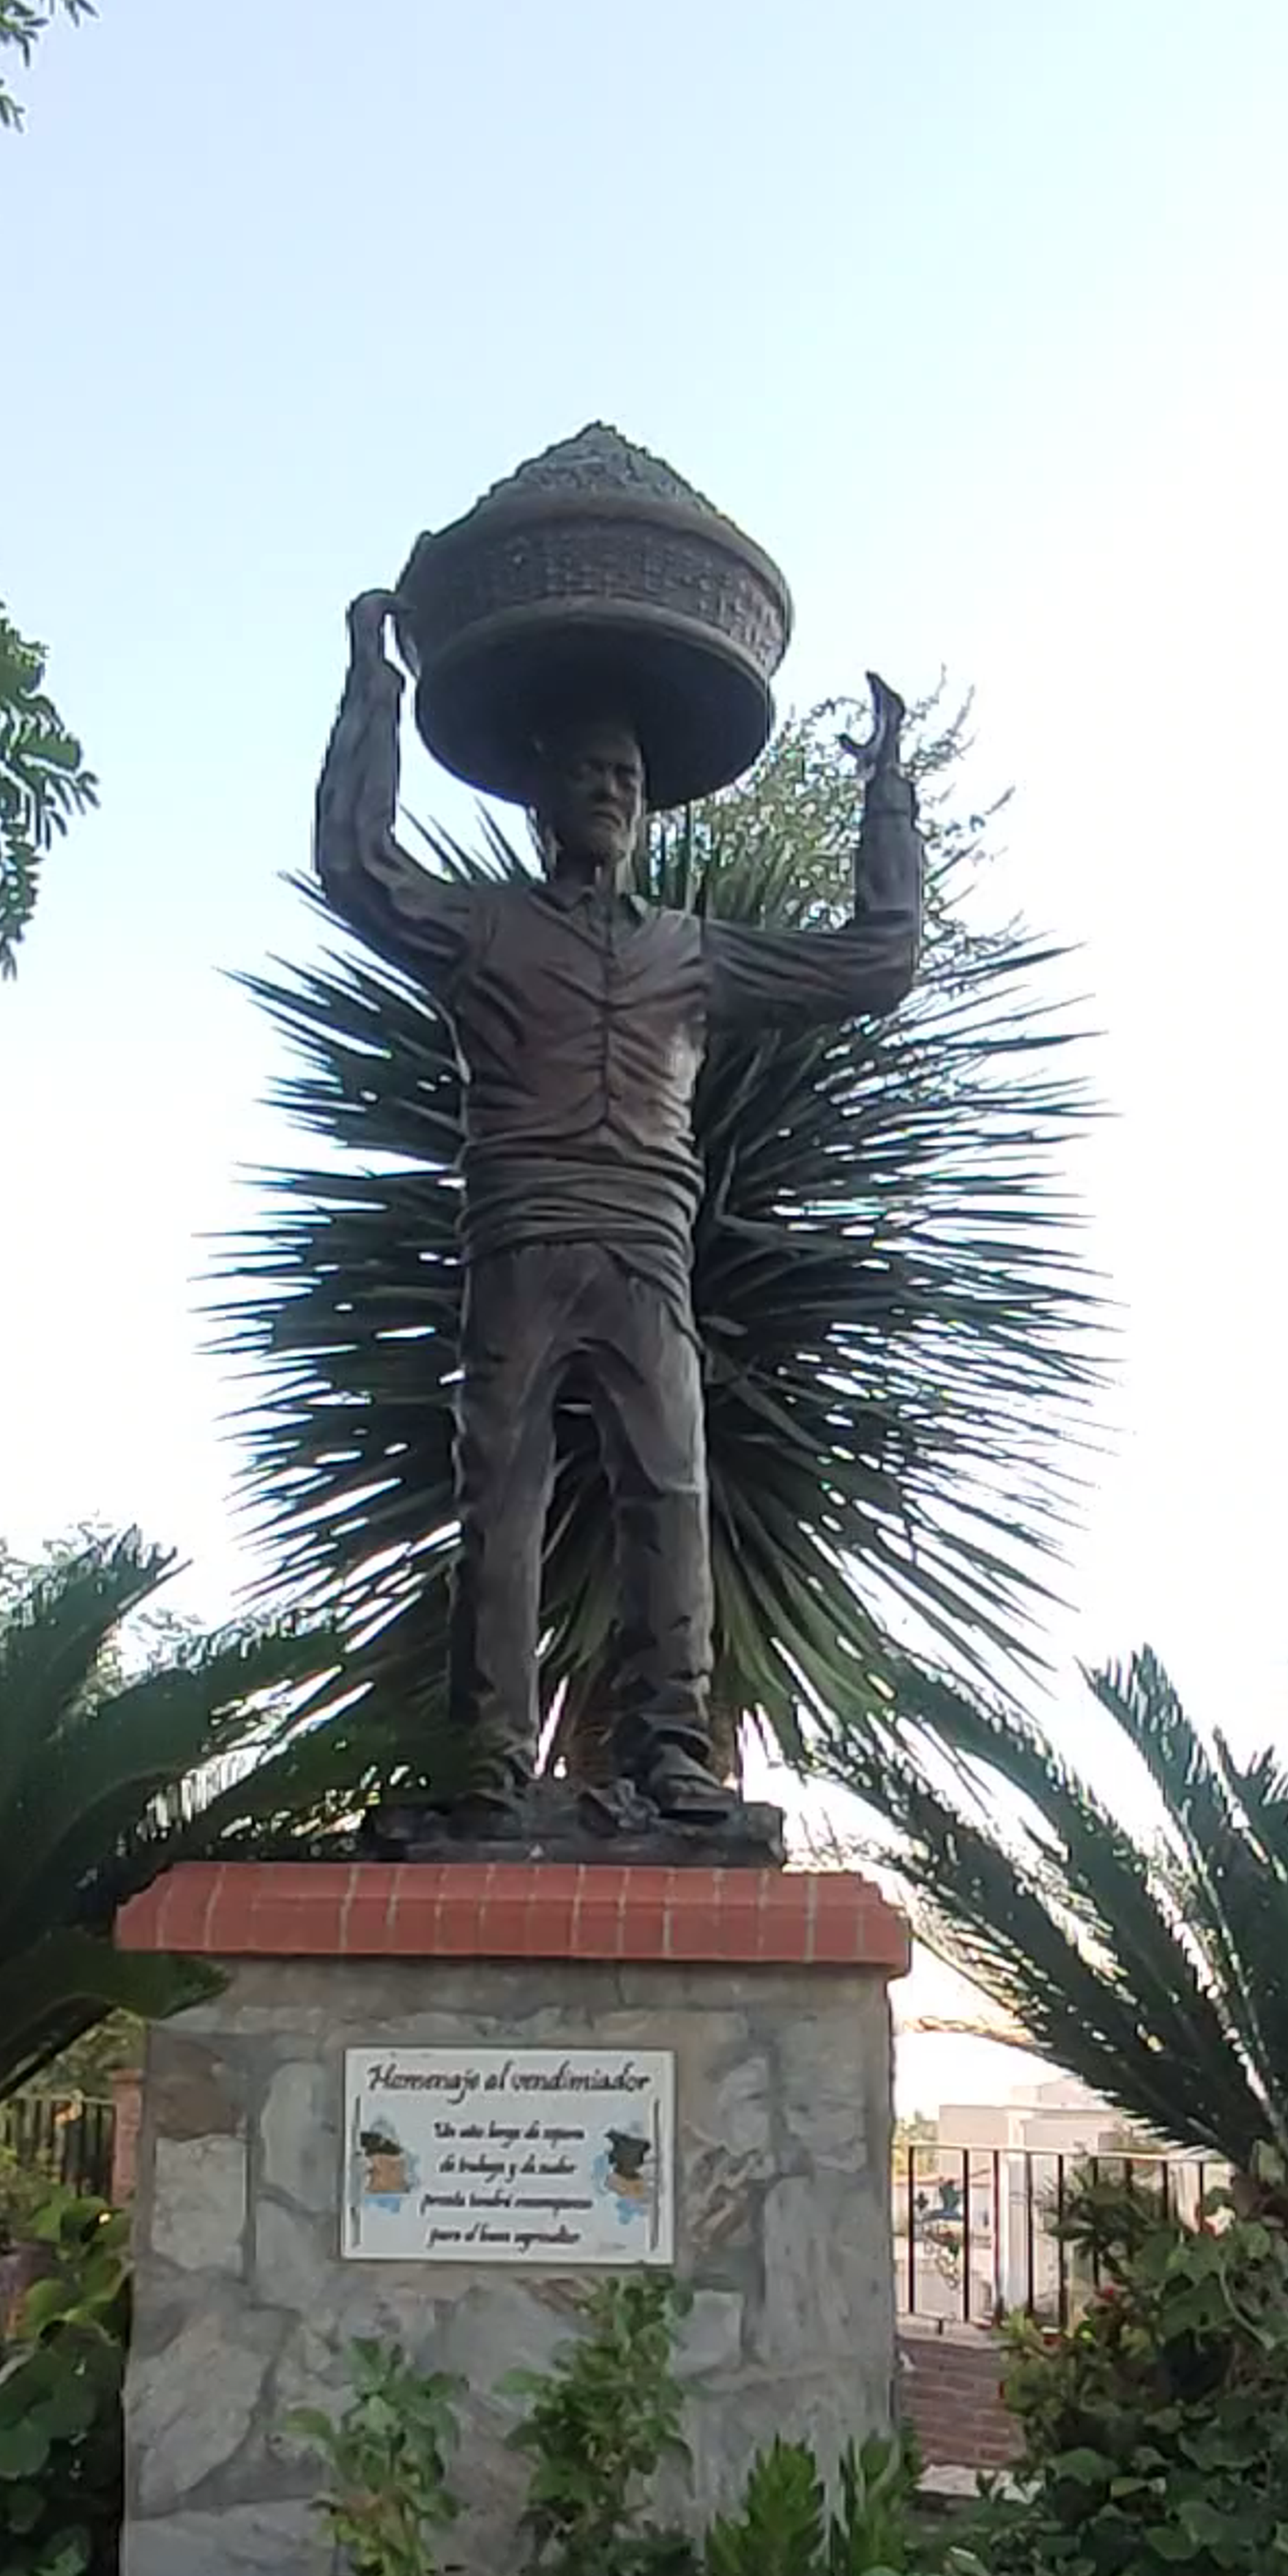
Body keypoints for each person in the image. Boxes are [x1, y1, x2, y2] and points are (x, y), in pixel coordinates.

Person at [315, 597, 922, 1825]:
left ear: (646, 806)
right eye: (586, 772)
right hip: (523, 1238)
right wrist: (373, 693)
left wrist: (889, 795)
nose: (608, 789)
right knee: (503, 1492)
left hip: (648, 1248)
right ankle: (488, 1756)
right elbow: (359, 864)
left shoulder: (694, 951)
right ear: (541, 800)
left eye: (627, 776)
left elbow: (877, 961)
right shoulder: (483, 927)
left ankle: (672, 1753)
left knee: (673, 1488)